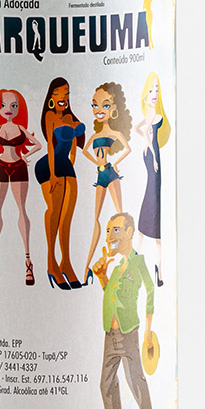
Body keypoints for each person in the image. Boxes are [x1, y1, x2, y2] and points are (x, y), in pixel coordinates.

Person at [89, 212, 154, 409]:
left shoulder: (138, 263)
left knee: (134, 376)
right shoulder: (116, 269)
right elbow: (111, 294)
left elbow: (150, 292)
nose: (109, 236)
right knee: (106, 381)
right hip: (111, 330)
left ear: (129, 232)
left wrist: (148, 331)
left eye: (115, 230)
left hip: (128, 330)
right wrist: (102, 277)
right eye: (108, 231)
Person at [33, 77, 85, 290]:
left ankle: (66, 263)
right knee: (54, 211)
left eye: (67, 93)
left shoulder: (70, 118)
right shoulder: (50, 116)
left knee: (67, 217)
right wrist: (54, 174)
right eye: (59, 93)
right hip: (49, 166)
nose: (64, 97)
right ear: (52, 97)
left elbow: (73, 147)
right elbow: (50, 145)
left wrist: (72, 163)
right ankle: (51, 263)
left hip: (66, 166)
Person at [0, 89, 41, 286]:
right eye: (4, 105)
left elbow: (38, 145)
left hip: (18, 166)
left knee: (22, 211)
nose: (8, 109)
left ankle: (28, 261)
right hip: (0, 166)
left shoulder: (20, 128)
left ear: (19, 109)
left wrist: (25, 156)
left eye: (13, 105)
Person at [81, 82, 132, 283]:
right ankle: (86, 266)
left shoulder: (115, 134)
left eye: (105, 105)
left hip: (110, 173)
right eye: (95, 105)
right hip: (101, 175)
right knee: (96, 219)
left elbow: (128, 149)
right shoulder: (95, 135)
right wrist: (97, 164)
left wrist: (115, 164)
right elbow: (85, 151)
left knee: (121, 217)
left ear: (114, 109)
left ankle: (128, 265)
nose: (99, 110)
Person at [133, 72, 171, 286]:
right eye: (151, 90)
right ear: (145, 95)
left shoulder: (154, 111)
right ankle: (157, 267)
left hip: (153, 155)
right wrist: (153, 154)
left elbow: (140, 129)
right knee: (153, 196)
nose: (154, 93)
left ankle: (150, 260)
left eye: (156, 89)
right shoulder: (151, 112)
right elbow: (145, 131)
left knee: (153, 195)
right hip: (153, 158)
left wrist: (150, 147)